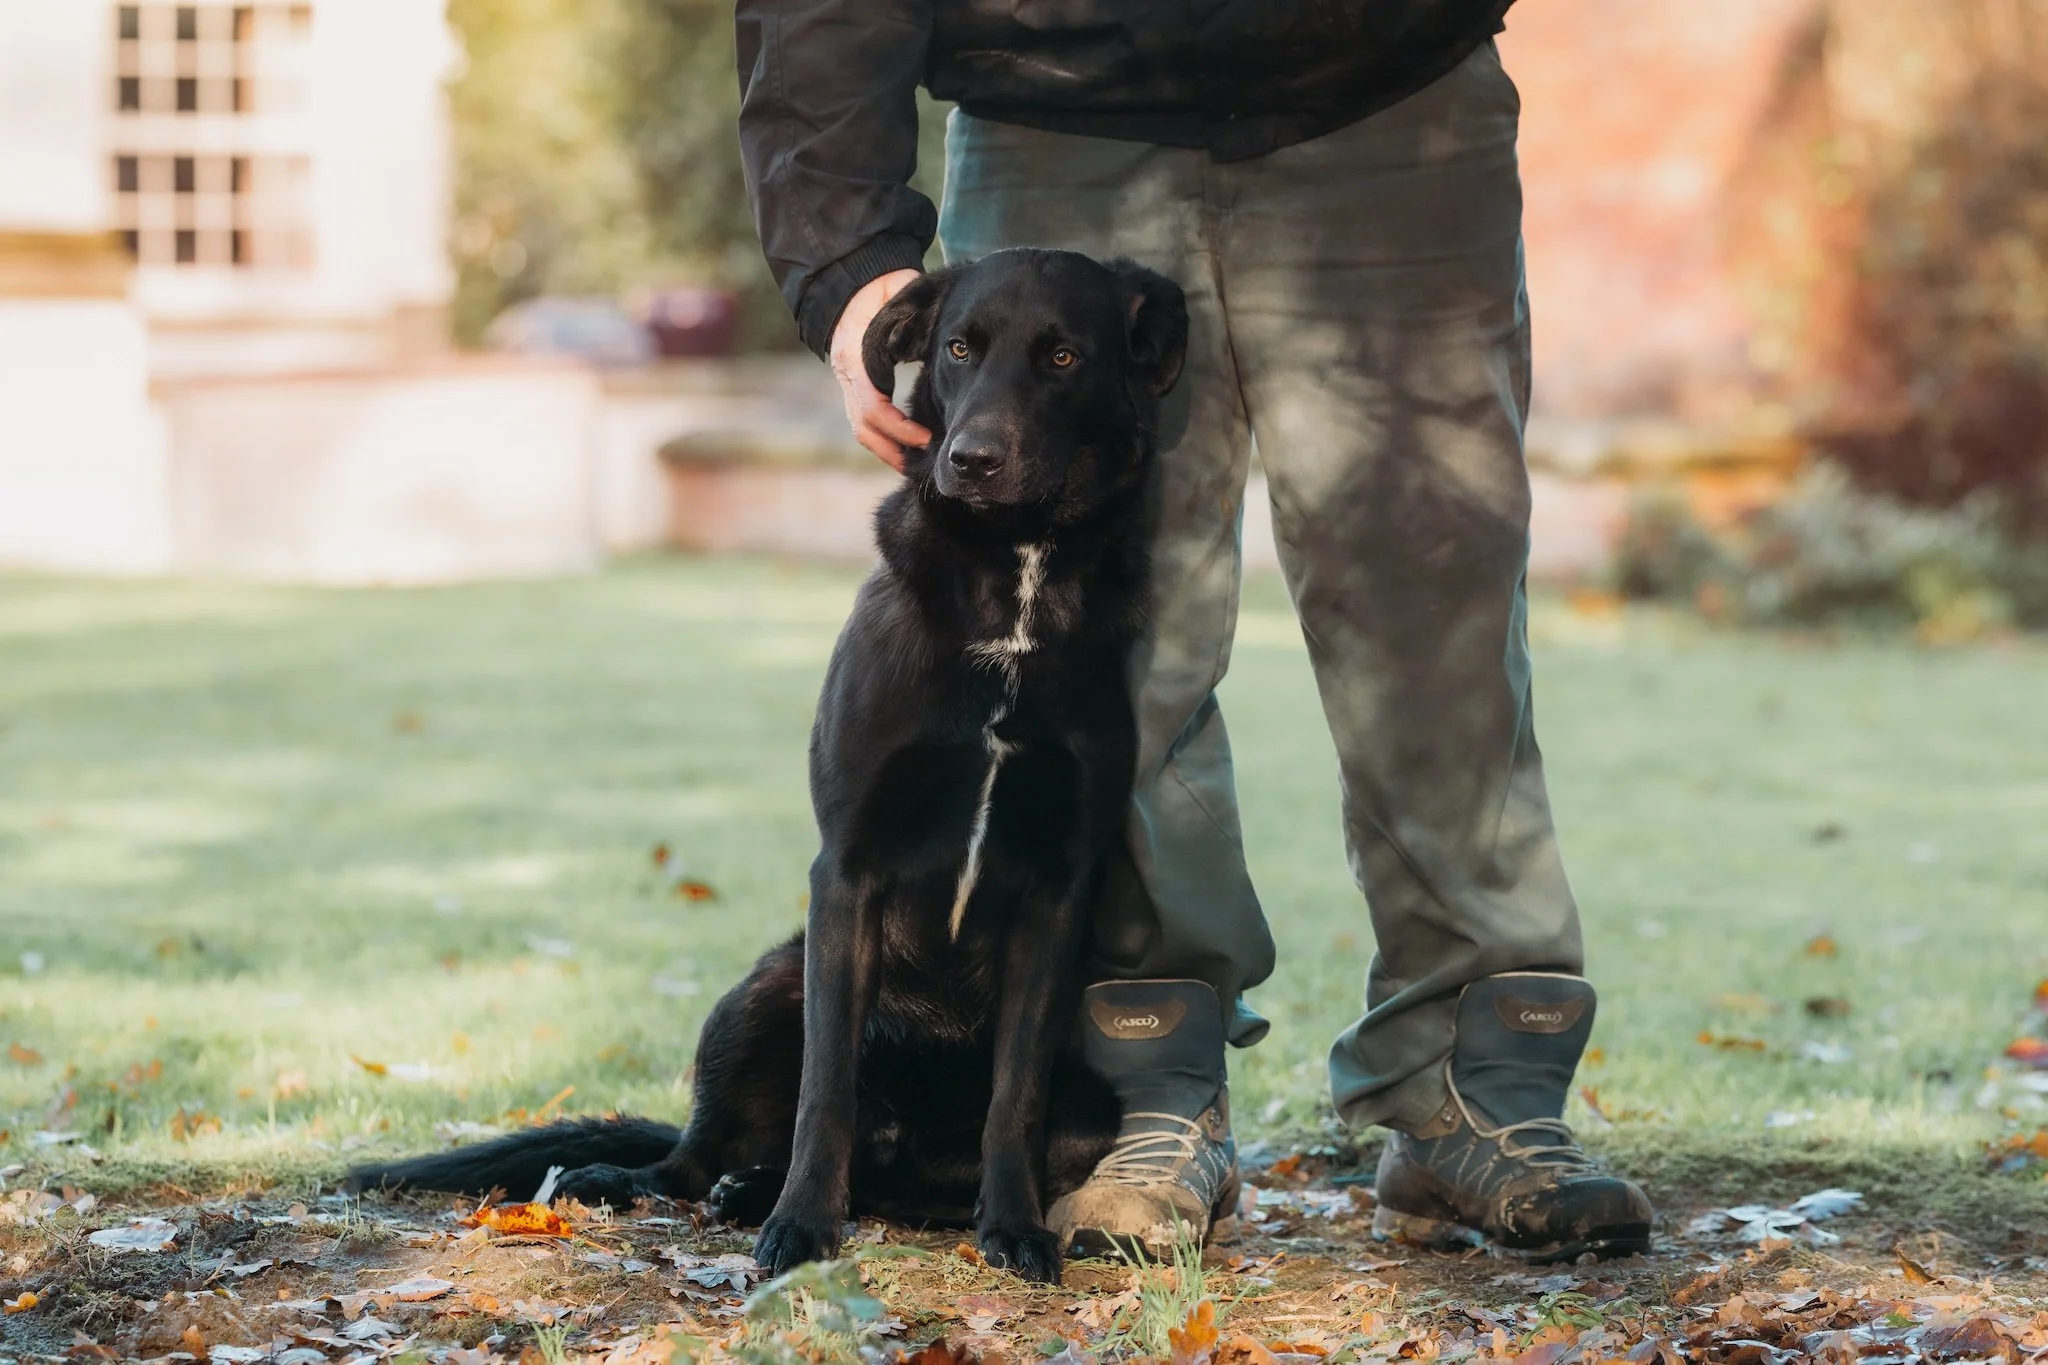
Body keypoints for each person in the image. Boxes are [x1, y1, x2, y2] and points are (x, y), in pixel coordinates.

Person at [734, 0, 1655, 1262]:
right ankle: (1149, 1095)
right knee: (1106, 651)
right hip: (1049, 112)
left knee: (1435, 623)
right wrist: (842, 250)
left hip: (1388, 101)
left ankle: (1474, 1092)